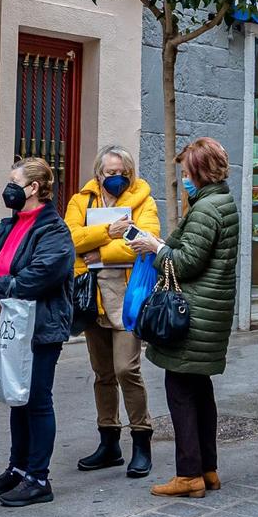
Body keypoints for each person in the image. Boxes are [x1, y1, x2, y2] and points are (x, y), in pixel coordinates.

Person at [131, 138, 241, 494]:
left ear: (201, 171)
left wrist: (156, 247)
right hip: (210, 311)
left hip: (194, 313)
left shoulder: (207, 209)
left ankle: (188, 474)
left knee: (180, 390)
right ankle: (207, 469)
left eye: (187, 172)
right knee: (199, 390)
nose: (184, 179)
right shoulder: (220, 202)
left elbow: (186, 262)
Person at [0, 157, 77, 508]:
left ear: (33, 188)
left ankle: (38, 478)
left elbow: (38, 277)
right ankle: (18, 468)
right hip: (9, 324)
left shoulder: (54, 231)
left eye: (14, 182)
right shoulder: (8, 225)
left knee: (36, 398)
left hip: (41, 327)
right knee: (17, 398)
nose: (9, 189)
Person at [63, 146, 159, 478]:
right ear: (98, 172)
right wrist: (110, 231)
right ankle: (109, 442)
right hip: (92, 299)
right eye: (109, 173)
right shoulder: (81, 201)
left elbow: (145, 241)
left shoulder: (143, 200)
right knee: (102, 373)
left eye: (122, 173)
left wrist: (99, 251)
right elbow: (71, 239)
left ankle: (141, 440)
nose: (116, 178)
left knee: (126, 370)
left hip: (127, 301)